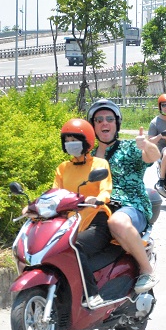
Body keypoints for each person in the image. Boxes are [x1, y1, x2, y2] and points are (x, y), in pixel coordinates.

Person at [87, 98, 159, 295]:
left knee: (117, 222)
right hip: (97, 209)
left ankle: (146, 270)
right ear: (92, 126)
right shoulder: (88, 157)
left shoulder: (129, 148)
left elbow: (153, 157)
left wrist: (146, 145)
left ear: (116, 124)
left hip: (129, 206)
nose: (104, 123)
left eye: (109, 119)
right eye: (99, 119)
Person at [51, 118, 114, 309]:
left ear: (87, 140)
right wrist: (34, 206)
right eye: (67, 140)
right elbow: (55, 194)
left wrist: (98, 199)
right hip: (71, 224)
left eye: (75, 139)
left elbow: (105, 190)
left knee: (75, 247)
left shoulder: (100, 164)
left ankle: (92, 295)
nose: (71, 144)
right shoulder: (63, 168)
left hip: (96, 220)